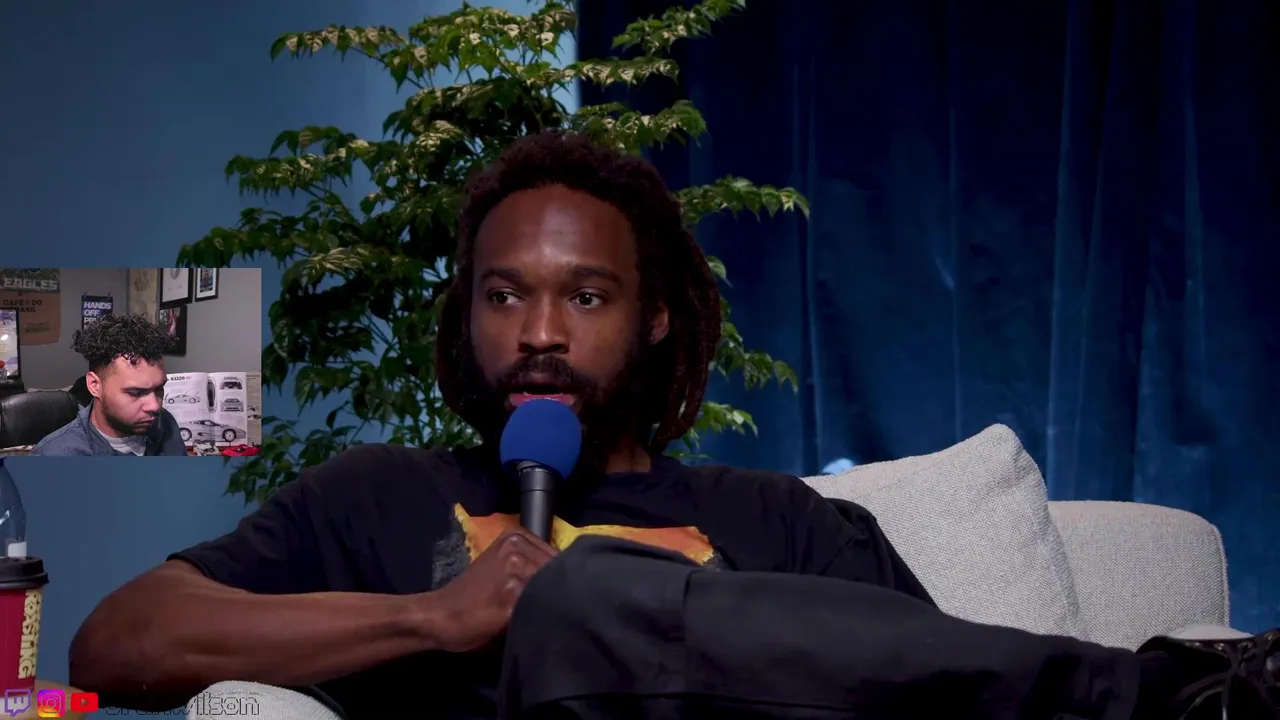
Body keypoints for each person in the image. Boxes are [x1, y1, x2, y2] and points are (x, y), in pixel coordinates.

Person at [69, 132, 1277, 719]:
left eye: (586, 298)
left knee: (586, 589)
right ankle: (1172, 702)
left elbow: (926, 693)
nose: (540, 333)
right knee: (575, 596)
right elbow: (116, 643)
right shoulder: (374, 497)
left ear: (653, 319)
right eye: (503, 296)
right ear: (466, 316)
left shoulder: (784, 521)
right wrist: (427, 618)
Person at [33, 313, 186, 456]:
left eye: (159, 389)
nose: (155, 406)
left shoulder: (165, 423)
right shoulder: (56, 455)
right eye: (136, 393)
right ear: (94, 385)